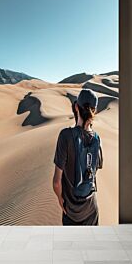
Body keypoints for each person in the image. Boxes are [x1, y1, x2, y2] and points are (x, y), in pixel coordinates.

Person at [53, 89, 103, 225]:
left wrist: (60, 199)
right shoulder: (97, 138)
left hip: (72, 213)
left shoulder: (66, 136)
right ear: (94, 111)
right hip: (92, 209)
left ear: (76, 107)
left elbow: (57, 182)